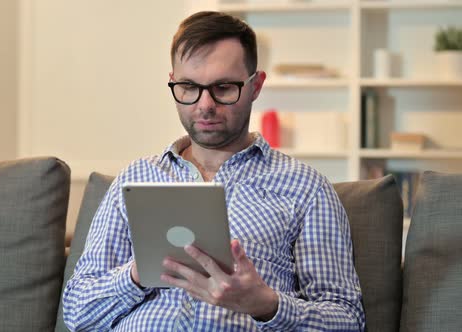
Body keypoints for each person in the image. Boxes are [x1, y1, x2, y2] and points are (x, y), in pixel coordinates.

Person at [63, 11, 365, 331]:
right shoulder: (135, 179)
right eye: (188, 87)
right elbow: (77, 313)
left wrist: (267, 305)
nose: (204, 104)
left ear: (256, 86)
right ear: (173, 82)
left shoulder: (305, 187)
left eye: (222, 87)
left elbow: (347, 320)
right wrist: (137, 274)